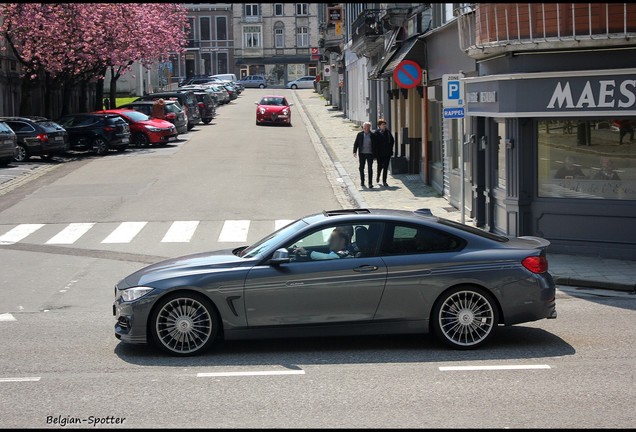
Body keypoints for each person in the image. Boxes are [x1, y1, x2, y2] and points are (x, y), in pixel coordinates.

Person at [353, 121, 379, 188]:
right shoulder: (360, 134)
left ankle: (370, 183)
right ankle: (362, 181)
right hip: (362, 154)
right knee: (361, 168)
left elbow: (376, 146)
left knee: (370, 168)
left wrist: (375, 156)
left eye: (368, 127)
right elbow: (356, 143)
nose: (367, 128)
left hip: (370, 154)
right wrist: (354, 151)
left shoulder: (373, 135)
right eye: (365, 127)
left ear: (370, 127)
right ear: (363, 127)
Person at [374, 118, 395, 187]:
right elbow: (374, 143)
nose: (384, 126)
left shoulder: (388, 132)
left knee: (386, 167)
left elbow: (392, 140)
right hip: (379, 153)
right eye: (383, 124)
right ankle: (378, 175)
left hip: (387, 153)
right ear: (379, 125)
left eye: (385, 124)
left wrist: (390, 148)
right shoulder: (376, 133)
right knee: (380, 166)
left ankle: (384, 181)